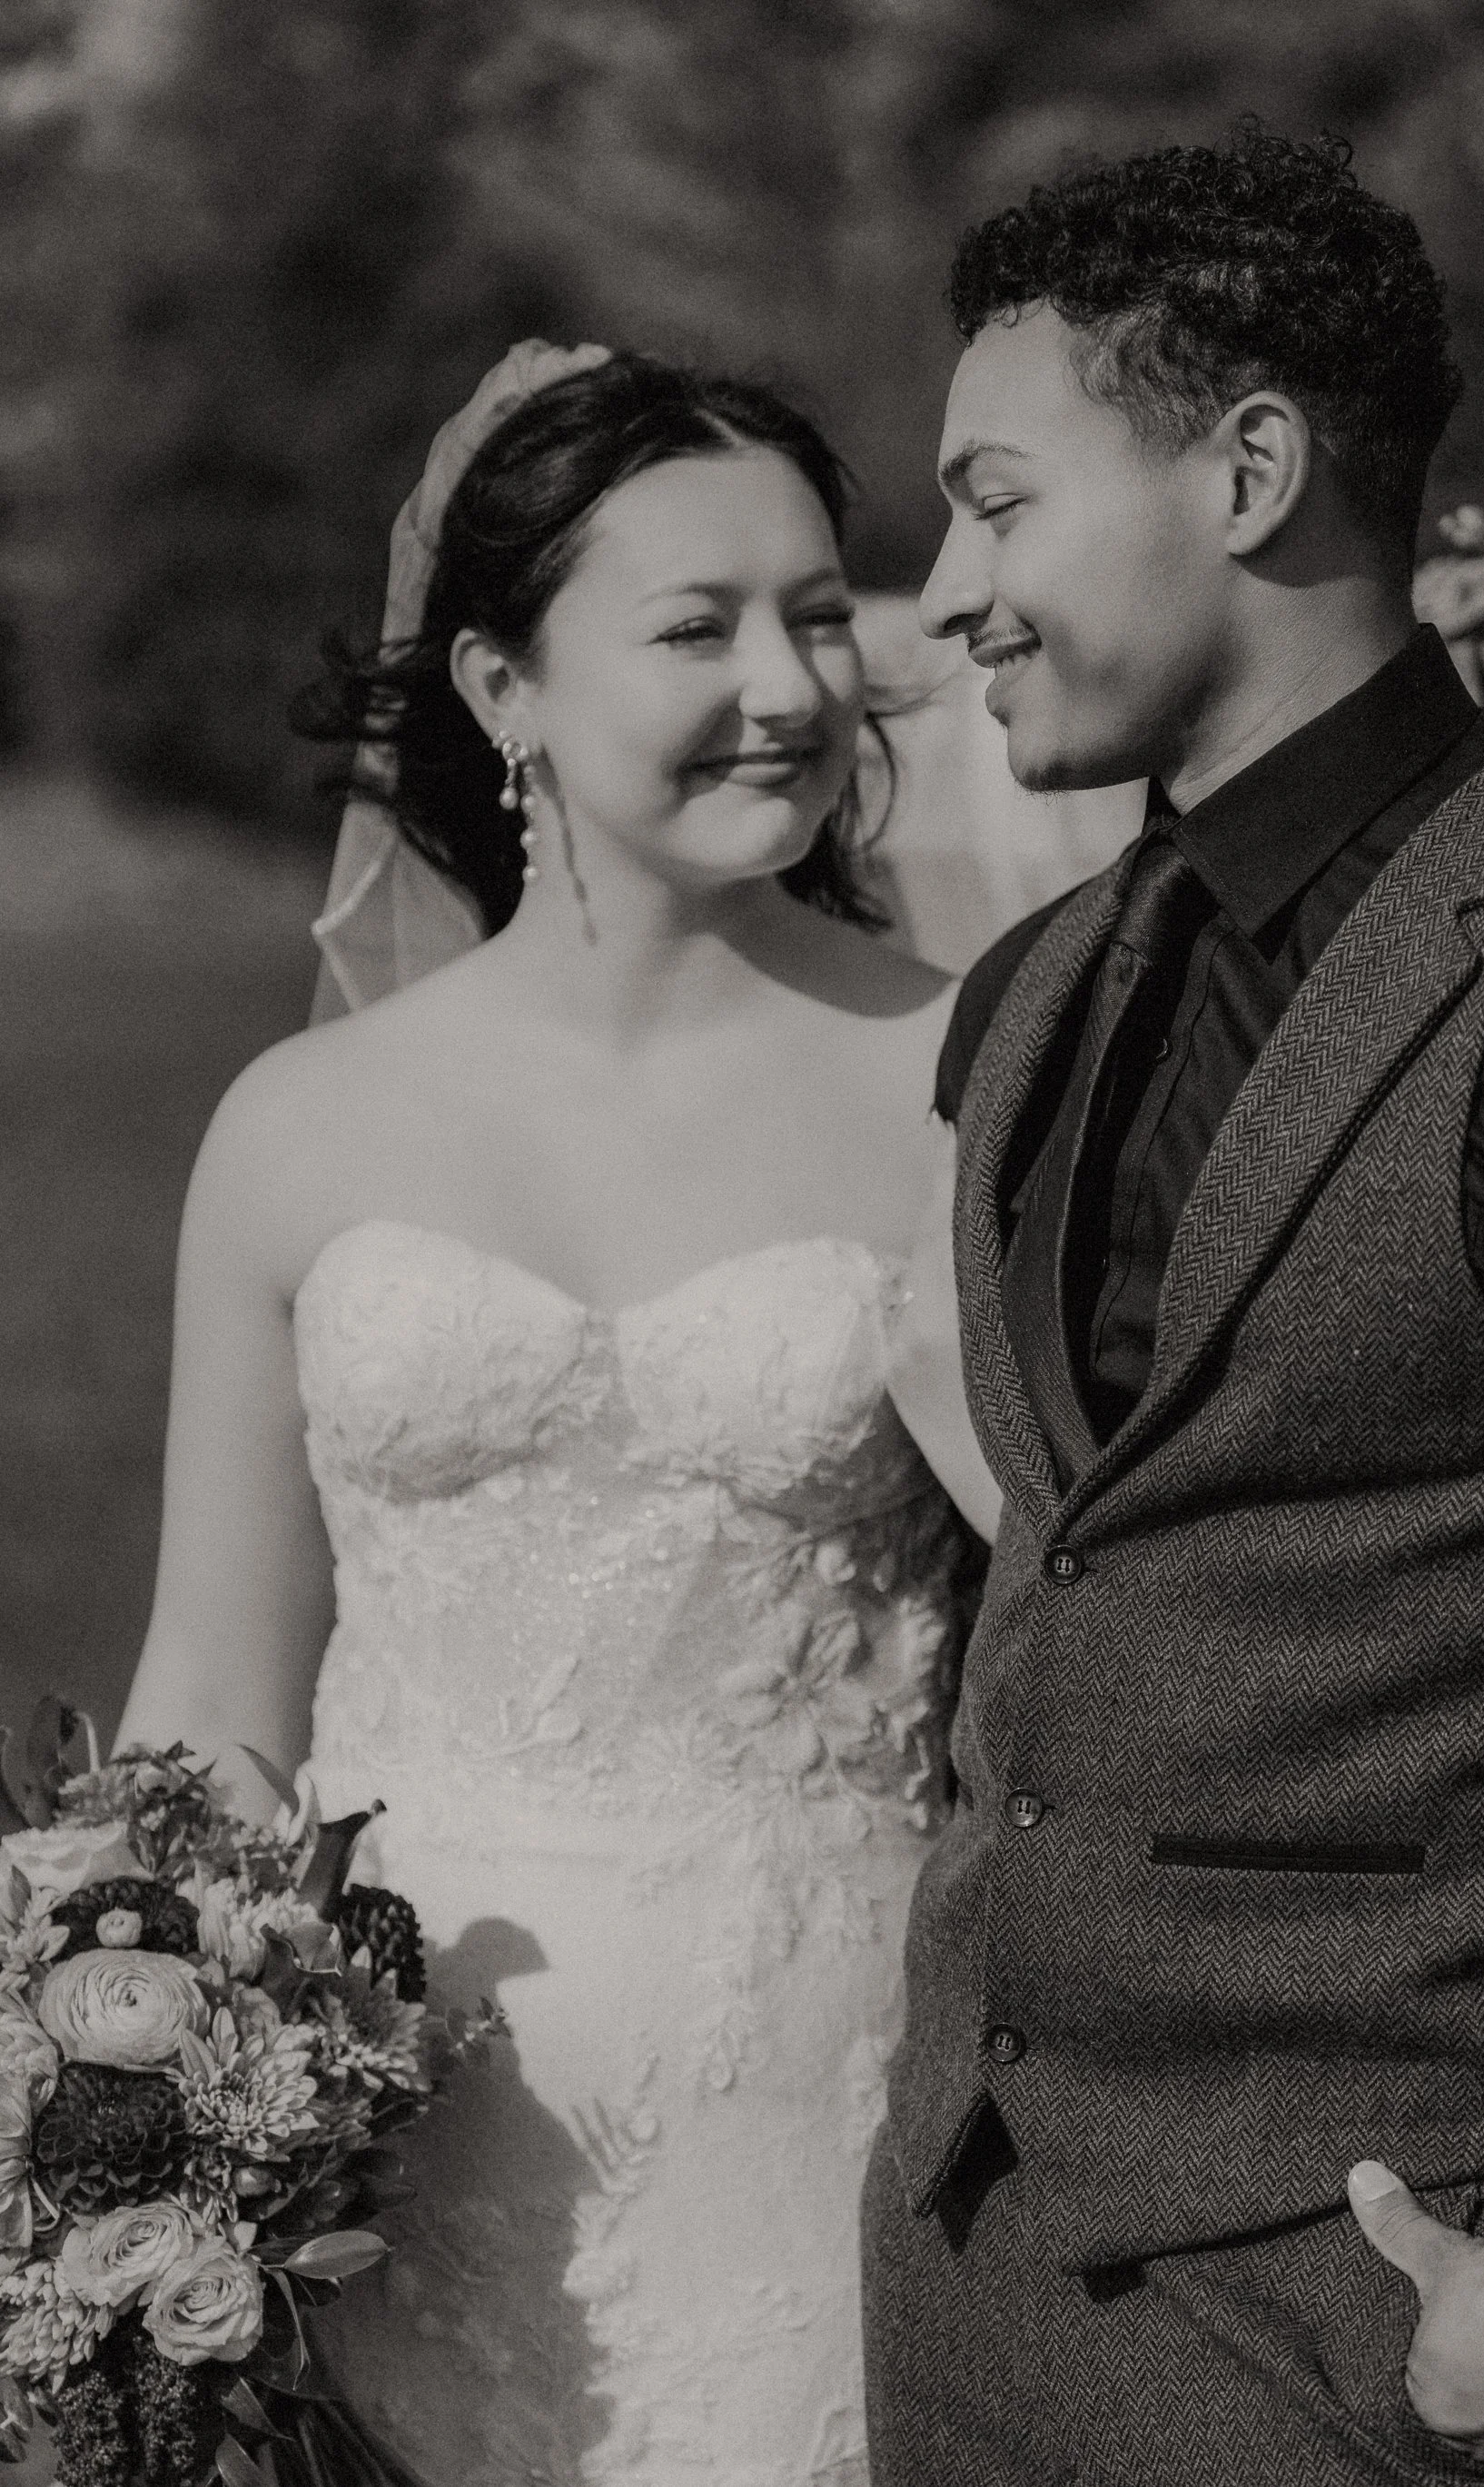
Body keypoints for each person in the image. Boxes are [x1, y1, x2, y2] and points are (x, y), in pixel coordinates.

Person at [118, 348, 994, 2487]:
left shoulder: (975, 1076)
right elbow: (220, 1686)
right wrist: (103, 2077)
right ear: (505, 687)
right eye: (697, 628)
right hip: (380, 2169)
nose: (789, 681)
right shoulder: (301, 1125)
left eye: (817, 612)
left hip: (825, 2121)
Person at [870, 126, 1484, 2485]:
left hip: (1421, 2347)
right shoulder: (1023, 998)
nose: (942, 595)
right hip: (959, 2295)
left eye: (996, 503)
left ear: (1248, 467)